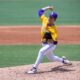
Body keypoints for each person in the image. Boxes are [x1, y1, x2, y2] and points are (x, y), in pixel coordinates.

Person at [27, 6, 72, 74]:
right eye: (50, 17)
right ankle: (63, 60)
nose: (50, 18)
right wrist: (47, 8)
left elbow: (55, 42)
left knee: (41, 51)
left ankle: (34, 68)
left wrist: (51, 41)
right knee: (52, 58)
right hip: (44, 44)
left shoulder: (54, 30)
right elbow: (40, 11)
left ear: (54, 20)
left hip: (51, 45)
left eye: (52, 18)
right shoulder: (44, 19)